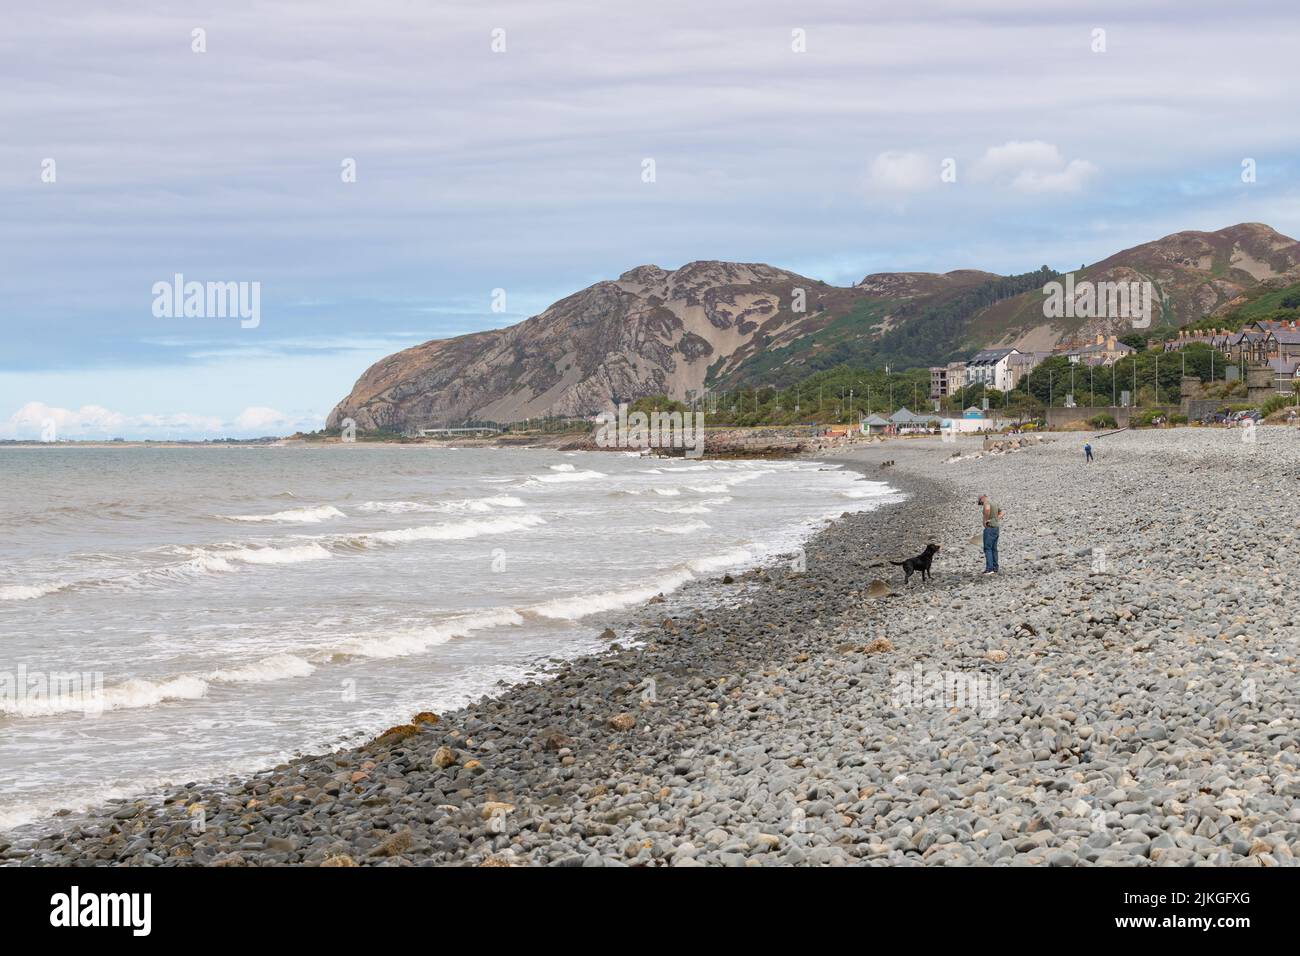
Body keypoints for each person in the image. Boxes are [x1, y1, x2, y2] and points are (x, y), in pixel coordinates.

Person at [978, 493, 1000, 574]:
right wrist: (995, 520)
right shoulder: (994, 503)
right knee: (994, 548)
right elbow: (1002, 513)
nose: (981, 504)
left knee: (988, 548)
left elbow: (987, 509)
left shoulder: (986, 502)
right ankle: (995, 568)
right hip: (996, 528)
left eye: (980, 502)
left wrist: (986, 520)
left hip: (990, 528)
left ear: (982, 498)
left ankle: (989, 568)